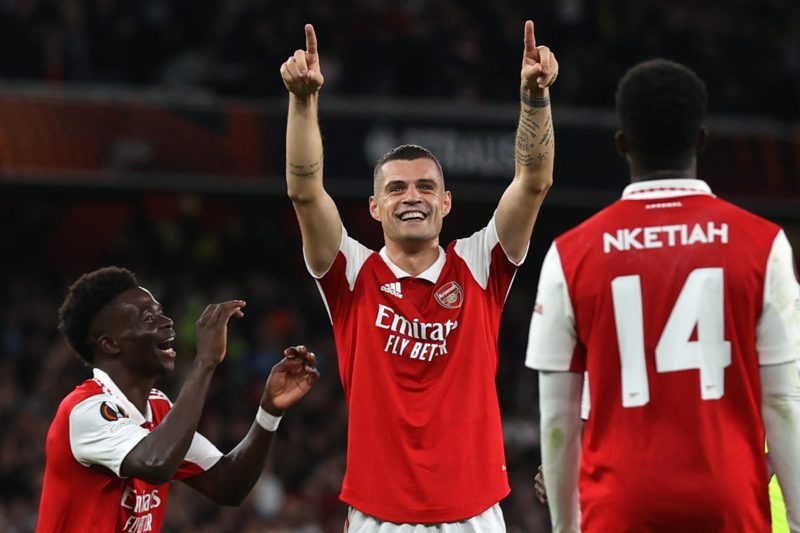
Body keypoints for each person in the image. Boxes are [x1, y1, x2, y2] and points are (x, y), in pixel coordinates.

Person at [280, 20, 557, 530]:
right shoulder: (351, 273)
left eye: (426, 187)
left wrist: (534, 98)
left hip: (474, 512)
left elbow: (533, 182)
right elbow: (305, 191)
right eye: (398, 189)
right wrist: (303, 102)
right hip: (379, 515)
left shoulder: (479, 264)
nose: (412, 197)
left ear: (446, 202)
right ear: (375, 206)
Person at [525, 59, 800, 532]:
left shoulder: (570, 254)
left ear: (621, 144)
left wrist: (565, 527)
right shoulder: (763, 244)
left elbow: (558, 417)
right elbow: (782, 403)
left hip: (619, 509)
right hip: (729, 505)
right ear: (701, 140)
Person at [36, 266, 319, 532]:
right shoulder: (86, 409)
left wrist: (269, 411)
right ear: (110, 343)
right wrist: (205, 362)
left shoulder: (158, 407)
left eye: (160, 312)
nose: (167, 322)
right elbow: (156, 463)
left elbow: (228, 484)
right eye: (148, 318)